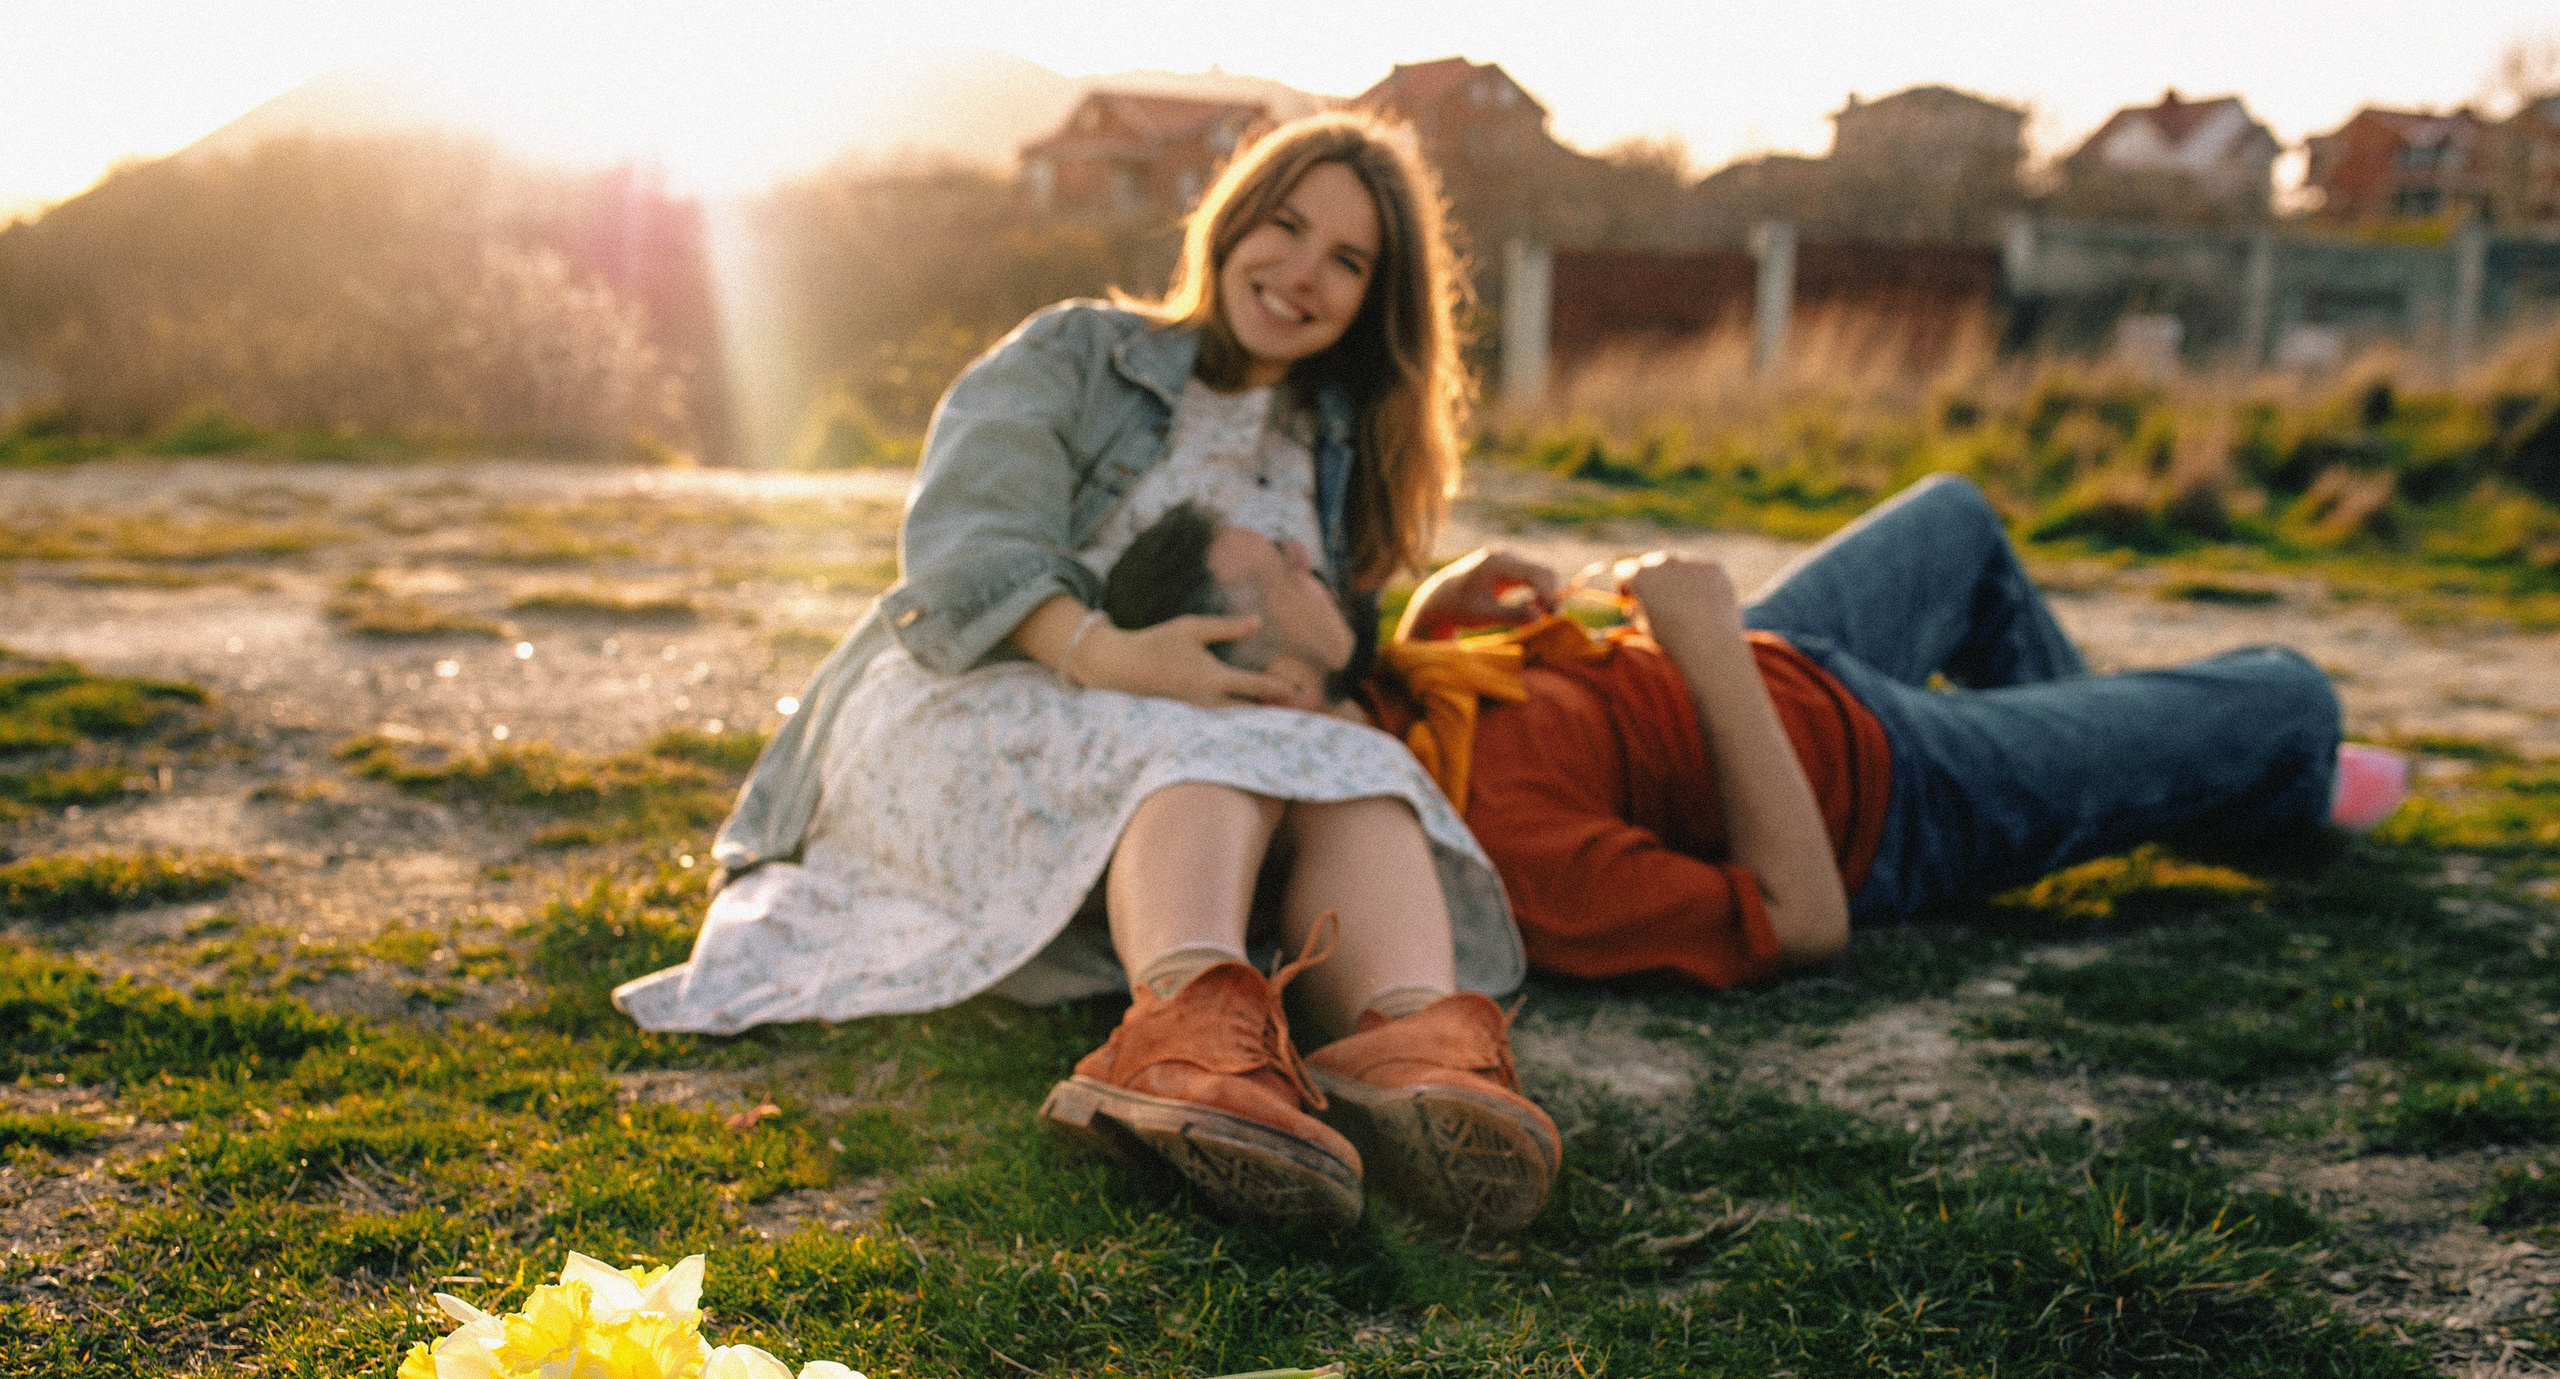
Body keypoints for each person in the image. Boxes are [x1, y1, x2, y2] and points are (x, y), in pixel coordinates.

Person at [615, 114, 1561, 1236]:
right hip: (995, 688)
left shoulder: (1338, 431)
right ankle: (1181, 1037)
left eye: (1347, 260)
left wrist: (1418, 612)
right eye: (1288, 225)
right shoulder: (1075, 352)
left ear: (1375, 295)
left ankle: (1412, 1053)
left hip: (1208, 743)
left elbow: (1321, 627)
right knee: (1215, 745)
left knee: (1356, 764)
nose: (1303, 273)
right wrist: (1112, 655)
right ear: (1232, 218)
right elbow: (967, 550)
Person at [1369, 474, 2395, 987]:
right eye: (1281, 570)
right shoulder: (1497, 844)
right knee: (2290, 694)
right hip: (1885, 793)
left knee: (1954, 514)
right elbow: (1800, 916)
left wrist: (1431, 627)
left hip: (1794, 660)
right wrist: (1712, 650)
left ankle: (2109, 772)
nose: (1312, 561)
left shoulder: (1383, 692)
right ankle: (2253, 786)